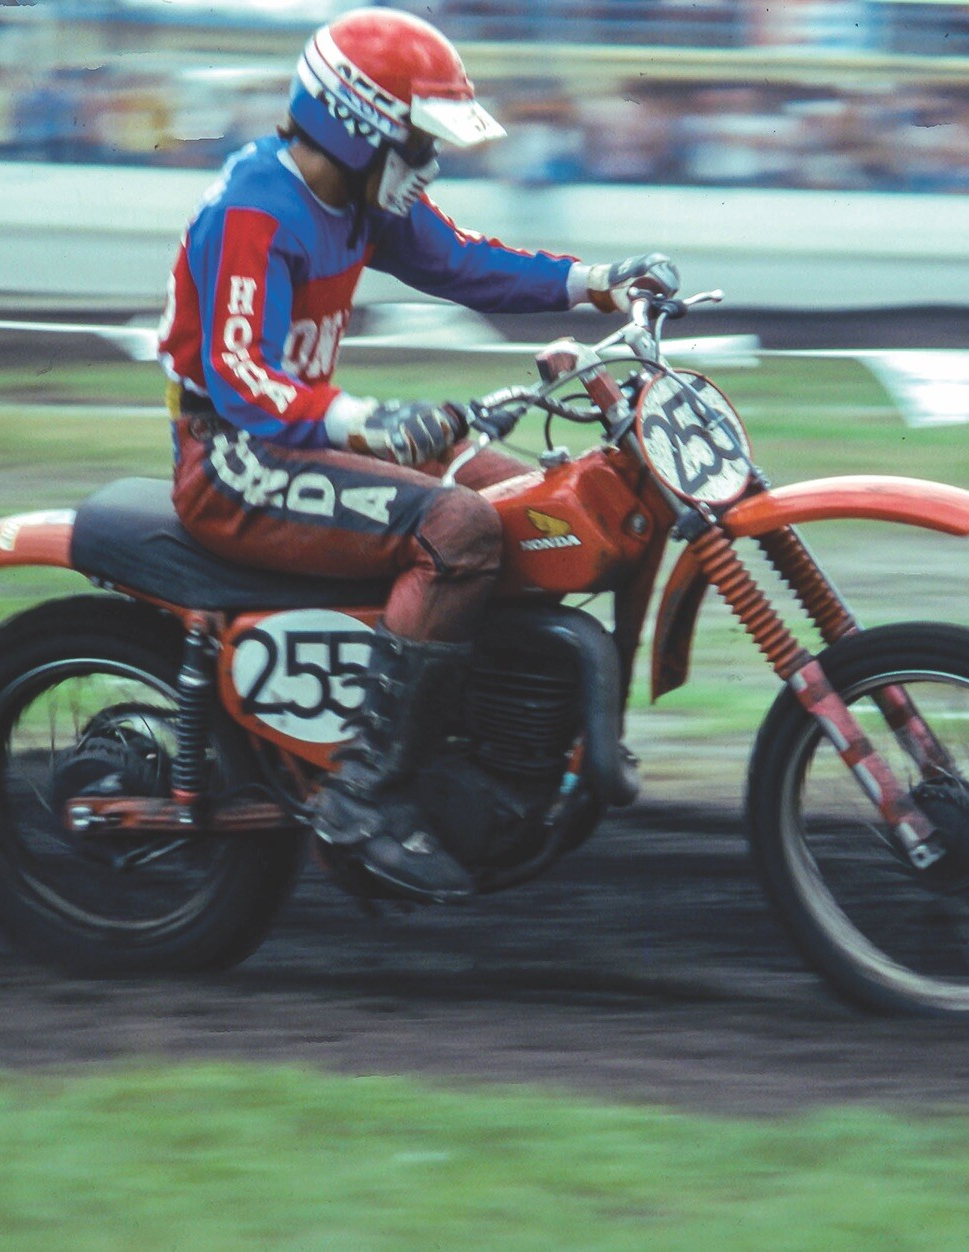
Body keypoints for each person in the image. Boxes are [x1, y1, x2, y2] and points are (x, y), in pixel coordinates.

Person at [157, 8, 675, 903]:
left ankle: (488, 747)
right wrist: (370, 421)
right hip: (233, 459)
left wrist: (593, 284)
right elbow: (242, 383)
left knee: (524, 497)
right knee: (459, 526)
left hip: (294, 442)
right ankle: (365, 795)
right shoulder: (254, 209)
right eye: (418, 143)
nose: (429, 164)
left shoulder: (359, 198)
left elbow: (462, 262)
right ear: (359, 128)